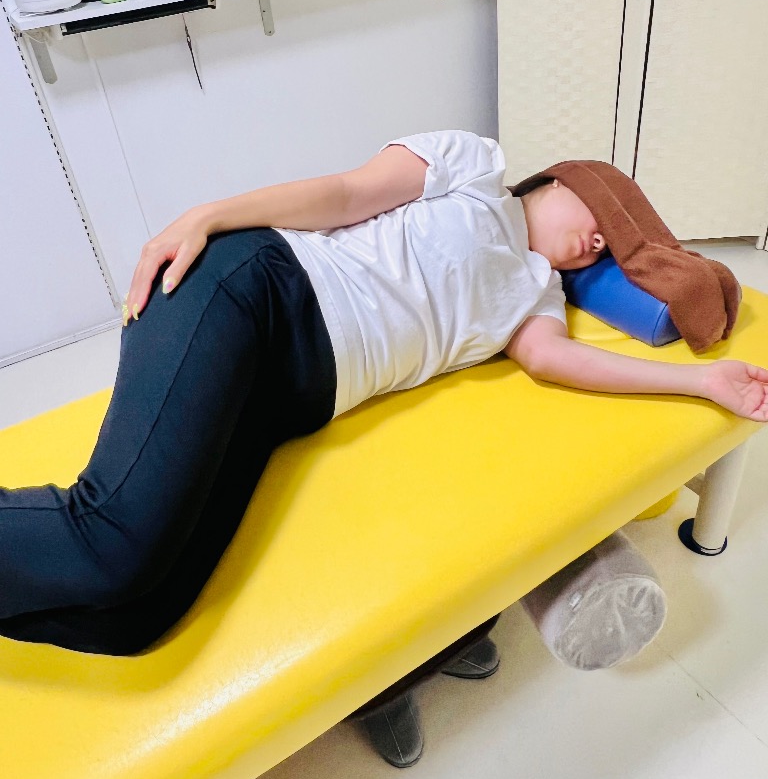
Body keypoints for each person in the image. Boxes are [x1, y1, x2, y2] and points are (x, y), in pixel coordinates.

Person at [1, 132, 765, 672]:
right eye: (601, 221)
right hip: (255, 293)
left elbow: (557, 361)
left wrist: (703, 382)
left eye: (611, 249)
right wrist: (207, 216)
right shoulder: (477, 170)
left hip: (280, 401)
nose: (598, 245)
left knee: (137, 618)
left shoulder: (538, 297)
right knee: (107, 546)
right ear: (562, 182)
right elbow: (344, 194)